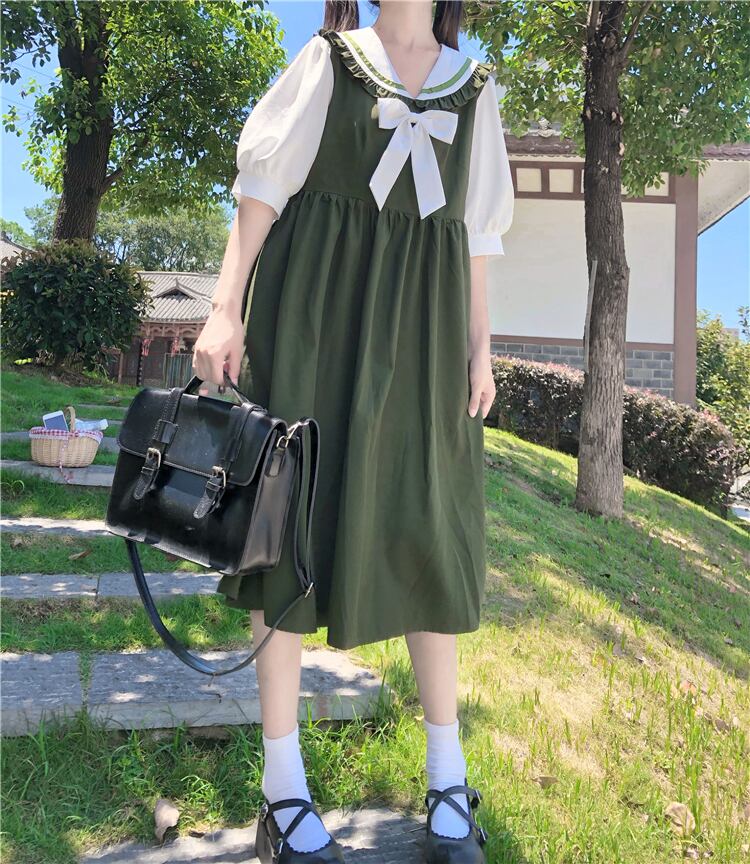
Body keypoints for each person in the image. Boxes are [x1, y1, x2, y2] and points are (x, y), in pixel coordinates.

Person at [192, 0, 513, 861]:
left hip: (426, 333)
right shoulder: (329, 62)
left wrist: (481, 350)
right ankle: (283, 789)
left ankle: (448, 777)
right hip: (313, 317)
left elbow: (480, 233)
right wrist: (225, 307)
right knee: (289, 531)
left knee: (428, 529)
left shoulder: (476, 89)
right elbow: (261, 194)